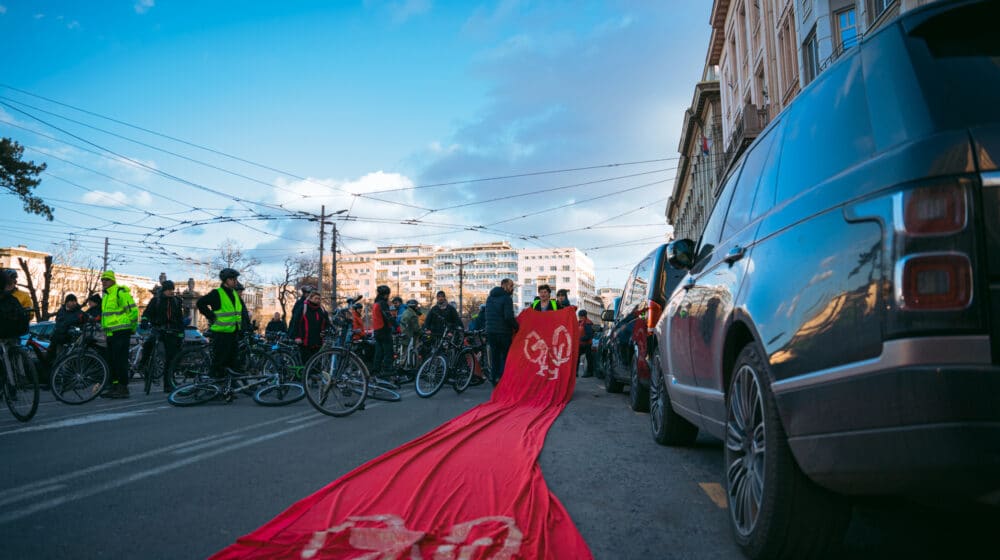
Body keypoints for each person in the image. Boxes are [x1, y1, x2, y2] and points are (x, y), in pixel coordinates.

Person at [197, 268, 246, 379]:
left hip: (233, 333)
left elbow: (238, 313)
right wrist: (211, 316)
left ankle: (229, 387)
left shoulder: (234, 293)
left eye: (236, 279)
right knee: (219, 363)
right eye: (233, 279)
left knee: (232, 362)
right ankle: (214, 387)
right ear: (225, 280)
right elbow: (200, 303)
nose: (235, 281)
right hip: (221, 334)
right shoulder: (217, 293)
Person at [98, 270, 139, 398]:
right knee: (112, 360)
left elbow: (133, 311)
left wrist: (131, 328)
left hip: (121, 332)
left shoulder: (120, 292)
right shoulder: (106, 296)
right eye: (102, 280)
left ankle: (123, 387)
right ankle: (114, 386)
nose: (103, 282)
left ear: (112, 281)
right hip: (111, 333)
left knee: (120, 361)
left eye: (106, 280)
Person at [140, 280, 185, 392]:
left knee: (171, 356)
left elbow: (179, 318)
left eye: (172, 290)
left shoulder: (176, 301)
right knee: (148, 345)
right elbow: (147, 313)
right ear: (164, 290)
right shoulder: (156, 300)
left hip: (172, 330)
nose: (171, 292)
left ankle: (168, 383)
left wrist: (180, 331)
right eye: (169, 290)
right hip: (158, 329)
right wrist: (145, 321)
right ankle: (143, 363)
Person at [485, 278, 517, 385]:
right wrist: (517, 327)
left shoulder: (489, 298)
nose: (512, 288)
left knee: (495, 357)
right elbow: (508, 317)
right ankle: (504, 380)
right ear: (503, 285)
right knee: (505, 357)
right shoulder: (506, 298)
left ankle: (495, 380)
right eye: (511, 286)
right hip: (503, 333)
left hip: (490, 332)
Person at [289, 290, 329, 365]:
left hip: (318, 341)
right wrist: (297, 337)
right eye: (316, 298)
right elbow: (296, 322)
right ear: (310, 299)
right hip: (304, 341)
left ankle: (313, 376)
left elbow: (327, 322)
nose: (318, 300)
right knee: (306, 362)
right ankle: (305, 376)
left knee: (316, 362)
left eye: (319, 299)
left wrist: (326, 331)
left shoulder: (322, 310)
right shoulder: (303, 308)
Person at [50, 293, 88, 362]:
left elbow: (85, 320)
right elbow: (57, 323)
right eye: (72, 301)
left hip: (69, 339)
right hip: (57, 338)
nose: (74, 303)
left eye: (75, 301)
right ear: (67, 302)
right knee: (54, 357)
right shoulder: (61, 311)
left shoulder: (79, 312)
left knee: (63, 358)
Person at [370, 285, 395, 380]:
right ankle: (387, 374)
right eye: (388, 294)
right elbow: (388, 317)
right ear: (386, 294)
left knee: (379, 352)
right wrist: (396, 326)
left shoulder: (375, 303)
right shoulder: (382, 303)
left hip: (377, 331)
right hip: (384, 331)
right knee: (388, 352)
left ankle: (376, 371)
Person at [0, 268, 30, 340]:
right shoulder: (10, 298)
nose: (9, 285)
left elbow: (27, 315)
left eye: (11, 282)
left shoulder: (21, 296)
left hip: (11, 334)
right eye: (8, 283)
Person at [577, 309, 596, 378]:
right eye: (579, 316)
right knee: (577, 358)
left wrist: (580, 339)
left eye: (581, 316)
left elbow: (589, 335)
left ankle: (589, 372)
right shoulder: (579, 322)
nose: (580, 318)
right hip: (580, 344)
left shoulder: (588, 323)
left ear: (584, 316)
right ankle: (575, 372)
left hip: (587, 344)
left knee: (588, 358)